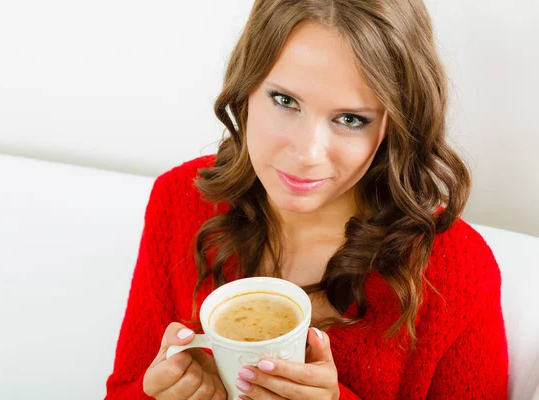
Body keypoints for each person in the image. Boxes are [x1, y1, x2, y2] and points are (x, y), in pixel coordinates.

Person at [105, 0, 509, 398]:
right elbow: (125, 388)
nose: (307, 155)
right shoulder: (181, 200)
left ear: (394, 122)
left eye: (350, 119)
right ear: (247, 87)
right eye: (285, 101)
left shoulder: (455, 272)